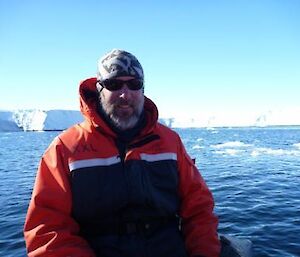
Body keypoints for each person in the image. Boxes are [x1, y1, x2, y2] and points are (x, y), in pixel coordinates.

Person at [24, 49, 221, 257]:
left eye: (134, 85)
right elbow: (47, 229)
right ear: (99, 89)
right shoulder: (65, 149)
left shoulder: (170, 142)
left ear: (143, 90)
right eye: (114, 85)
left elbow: (199, 208)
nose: (125, 95)